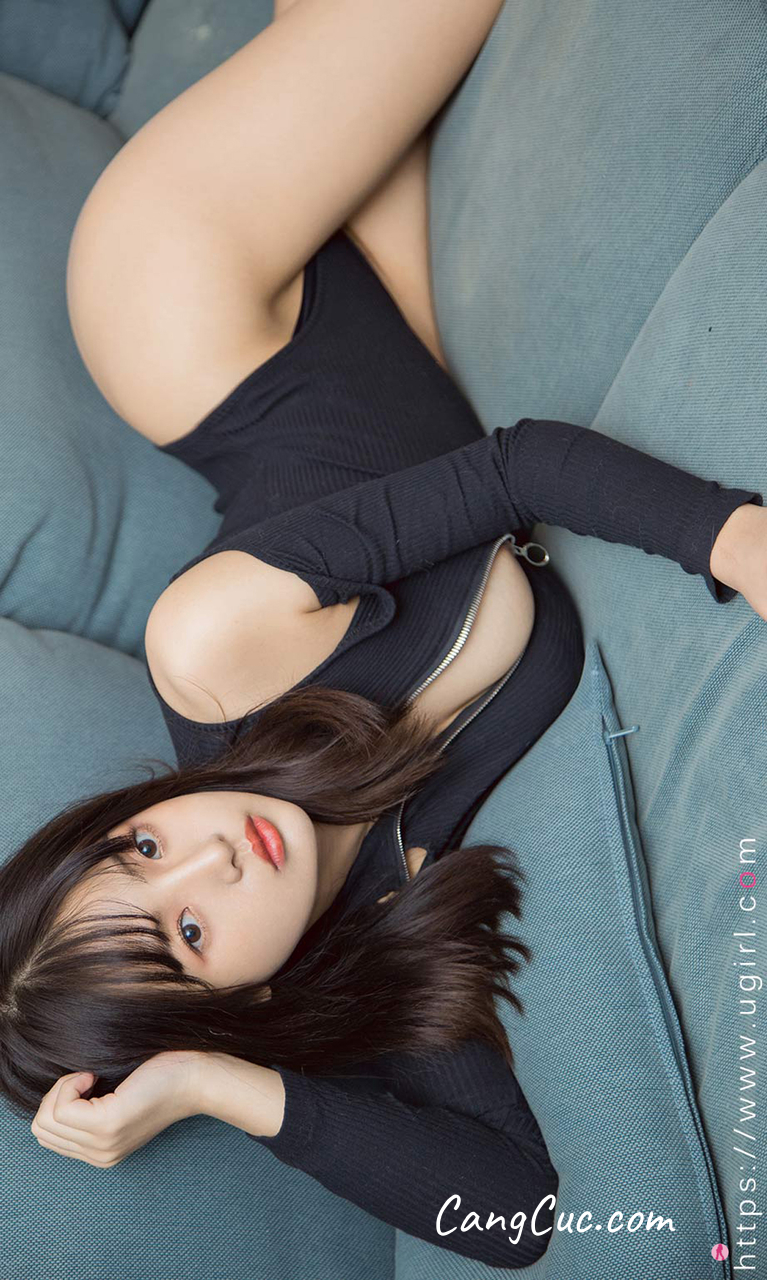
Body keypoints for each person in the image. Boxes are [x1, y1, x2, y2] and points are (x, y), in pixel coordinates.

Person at [2, 0, 765, 1269]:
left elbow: (520, 470)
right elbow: (516, 1215)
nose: (208, 854)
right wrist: (214, 1087)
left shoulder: (212, 646)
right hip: (399, 339)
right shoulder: (377, 929)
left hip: (203, 295)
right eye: (187, 935)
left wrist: (736, 543)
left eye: (140, 846)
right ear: (240, 1004)